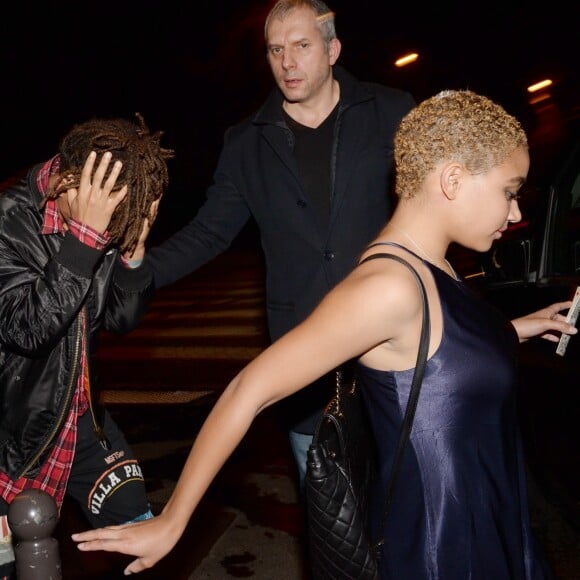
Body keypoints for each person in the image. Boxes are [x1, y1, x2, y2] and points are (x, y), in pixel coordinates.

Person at [72, 90, 577, 578]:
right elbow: (249, 389)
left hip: (485, 513)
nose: (515, 213)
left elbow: (437, 356)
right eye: (510, 191)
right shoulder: (387, 288)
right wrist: (172, 520)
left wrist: (511, 330)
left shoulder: (435, 263)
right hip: (441, 542)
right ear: (452, 180)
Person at [143, 0, 416, 485]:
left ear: (332, 50)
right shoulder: (246, 142)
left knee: (414, 518)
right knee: (335, 534)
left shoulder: (392, 111)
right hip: (306, 365)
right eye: (275, 50)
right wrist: (139, 270)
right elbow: (210, 232)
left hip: (397, 348)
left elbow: (431, 210)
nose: (287, 62)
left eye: (301, 46)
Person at [0, 115, 174, 579]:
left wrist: (134, 250)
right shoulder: (8, 222)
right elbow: (28, 329)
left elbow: (118, 317)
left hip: (81, 419)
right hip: (14, 433)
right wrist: (84, 242)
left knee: (140, 534)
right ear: (70, 181)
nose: (111, 232)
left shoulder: (101, 214)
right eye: (112, 219)